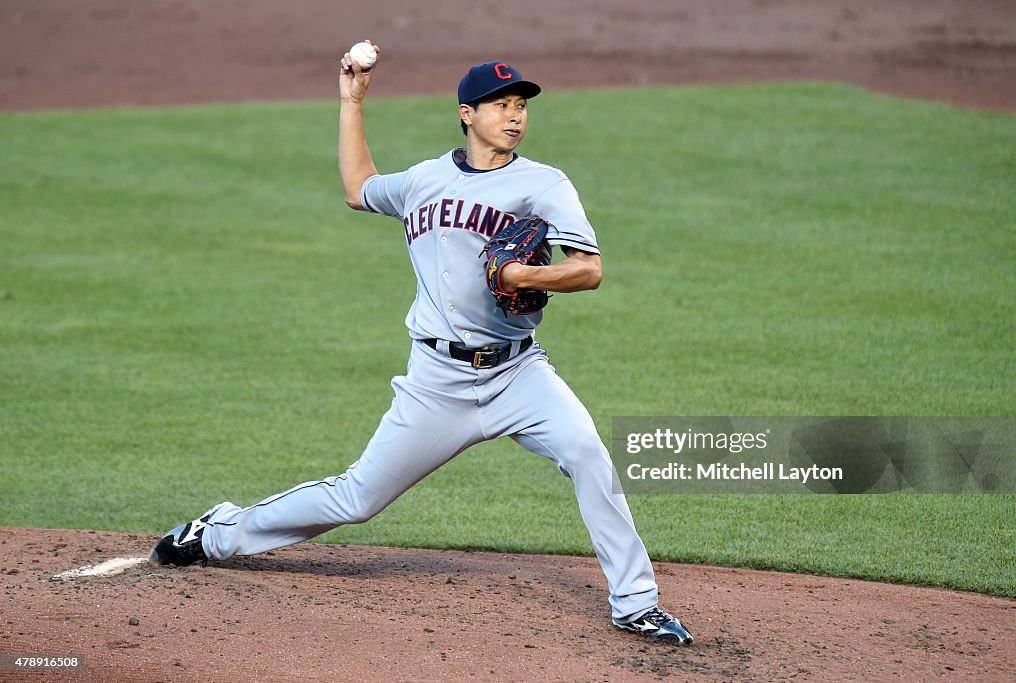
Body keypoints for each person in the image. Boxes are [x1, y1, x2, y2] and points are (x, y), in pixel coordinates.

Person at [150, 42, 694, 646]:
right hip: (437, 381)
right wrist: (351, 101)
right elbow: (359, 189)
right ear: (467, 113)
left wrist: (525, 276)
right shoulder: (424, 182)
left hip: (519, 376)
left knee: (589, 454)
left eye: (522, 106)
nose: (515, 116)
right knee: (358, 497)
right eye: (501, 104)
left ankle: (635, 602)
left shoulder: (543, 184)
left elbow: (587, 269)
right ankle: (219, 532)